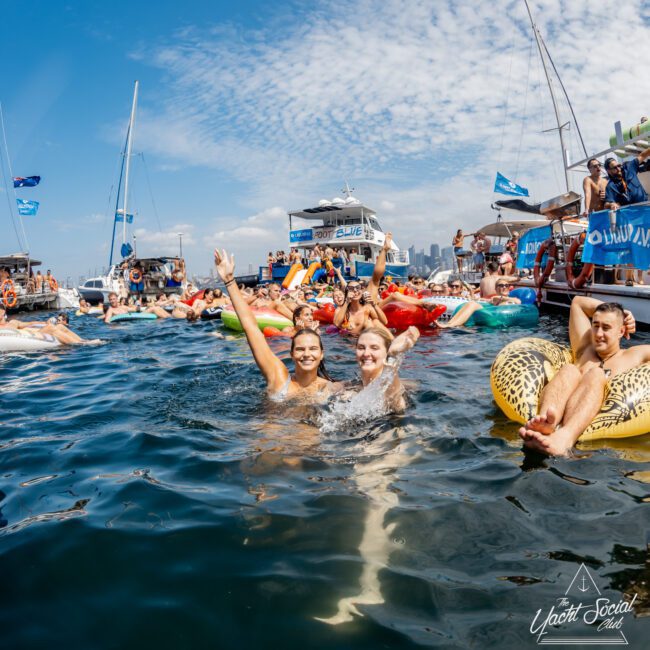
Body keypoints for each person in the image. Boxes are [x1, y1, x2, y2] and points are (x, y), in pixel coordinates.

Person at [519, 297, 643, 456]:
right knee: (570, 369)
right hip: (557, 410)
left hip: (592, 429)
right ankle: (544, 424)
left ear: (621, 331)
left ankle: (565, 437)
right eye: (595, 325)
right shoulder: (585, 348)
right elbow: (577, 302)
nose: (598, 334)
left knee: (596, 374)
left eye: (606, 327)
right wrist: (621, 313)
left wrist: (617, 316)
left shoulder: (633, 356)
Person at [214, 248, 340, 400]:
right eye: (300, 349)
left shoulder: (331, 388)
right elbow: (250, 327)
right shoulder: (278, 378)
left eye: (312, 349)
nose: (307, 354)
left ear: (322, 354)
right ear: (291, 354)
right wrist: (229, 281)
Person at [436, 281, 520, 328]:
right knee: (471, 303)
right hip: (494, 320)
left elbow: (518, 302)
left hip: (499, 321)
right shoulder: (492, 299)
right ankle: (449, 324)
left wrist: (502, 298)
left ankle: (448, 325)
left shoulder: (512, 298)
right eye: (501, 285)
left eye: (506, 285)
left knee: (473, 305)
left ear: (509, 288)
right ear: (495, 288)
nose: (504, 287)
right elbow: (480, 300)